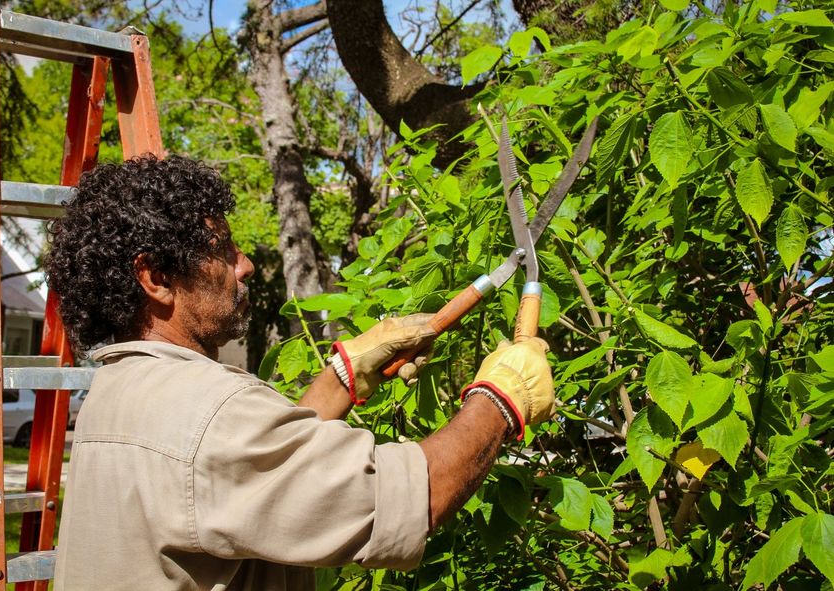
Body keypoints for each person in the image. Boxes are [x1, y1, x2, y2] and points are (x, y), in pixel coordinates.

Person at [46, 155, 555, 590]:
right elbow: (412, 498)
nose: (243, 265)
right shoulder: (208, 413)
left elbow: (243, 484)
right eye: (222, 249)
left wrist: (341, 378)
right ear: (156, 279)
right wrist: (501, 397)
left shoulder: (118, 391)